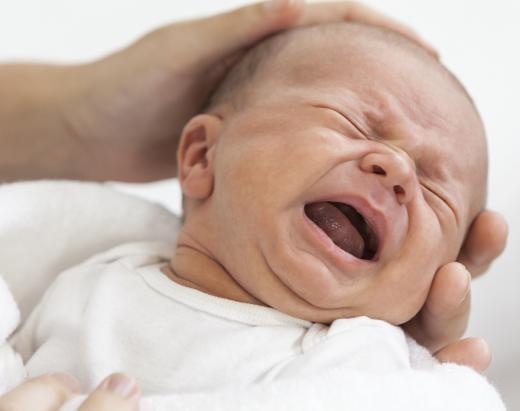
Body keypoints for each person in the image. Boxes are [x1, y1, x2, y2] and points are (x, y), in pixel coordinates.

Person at [0, 1, 507, 410]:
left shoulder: (362, 368)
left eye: (435, 188)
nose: (397, 172)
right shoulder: (84, 269)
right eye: (353, 123)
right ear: (203, 156)